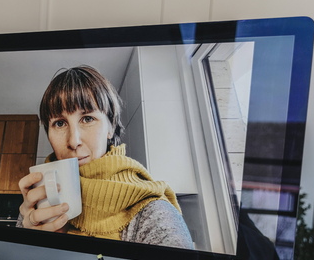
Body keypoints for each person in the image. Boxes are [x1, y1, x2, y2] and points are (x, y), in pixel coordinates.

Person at [18, 66, 194, 249]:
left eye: (87, 119)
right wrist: (27, 240)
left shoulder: (152, 211)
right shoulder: (38, 202)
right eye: (60, 123)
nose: (73, 140)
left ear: (110, 127)